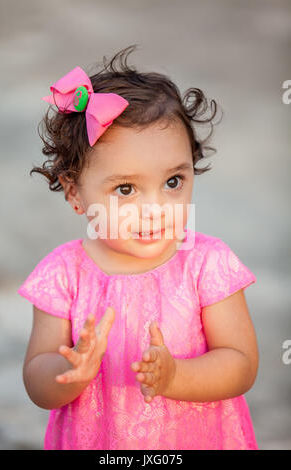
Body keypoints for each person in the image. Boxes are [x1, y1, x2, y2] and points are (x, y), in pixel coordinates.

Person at [18, 44, 259, 450]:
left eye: (173, 182)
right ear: (75, 193)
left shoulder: (206, 263)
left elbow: (241, 363)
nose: (156, 210)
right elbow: (37, 381)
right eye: (126, 189)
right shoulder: (62, 274)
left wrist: (175, 377)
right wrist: (69, 370)